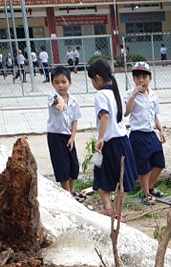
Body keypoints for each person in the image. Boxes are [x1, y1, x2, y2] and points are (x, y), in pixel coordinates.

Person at [86, 59, 138, 216]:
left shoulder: (101, 95)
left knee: (100, 176)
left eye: (92, 80)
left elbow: (105, 116)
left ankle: (109, 208)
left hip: (109, 143)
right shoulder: (116, 93)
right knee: (120, 179)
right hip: (123, 141)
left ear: (97, 78)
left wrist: (100, 138)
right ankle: (117, 210)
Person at [125, 61, 166, 206]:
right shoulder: (130, 94)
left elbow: (155, 115)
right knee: (143, 168)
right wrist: (133, 96)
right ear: (133, 79)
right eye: (137, 77)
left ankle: (150, 187)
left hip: (151, 133)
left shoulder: (153, 95)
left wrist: (160, 130)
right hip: (138, 135)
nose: (141, 80)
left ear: (150, 78)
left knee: (159, 163)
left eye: (144, 77)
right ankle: (145, 194)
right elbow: (126, 112)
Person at [45, 66, 83, 197]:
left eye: (63, 82)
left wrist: (72, 137)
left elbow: (75, 120)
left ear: (70, 82)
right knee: (62, 166)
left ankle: (71, 192)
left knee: (73, 165)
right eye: (57, 82)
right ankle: (66, 194)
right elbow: (57, 100)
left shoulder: (73, 101)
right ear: (52, 84)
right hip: (55, 136)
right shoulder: (52, 97)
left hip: (68, 136)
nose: (60, 85)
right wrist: (60, 102)